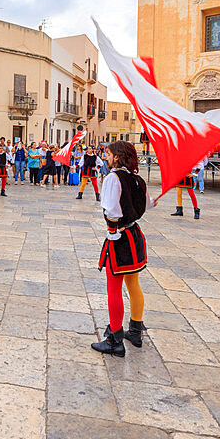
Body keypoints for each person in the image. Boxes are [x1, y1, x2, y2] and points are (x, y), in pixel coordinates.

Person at [92, 140, 149, 355]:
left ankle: (115, 339)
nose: (105, 157)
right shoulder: (137, 179)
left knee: (113, 288)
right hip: (135, 235)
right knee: (133, 283)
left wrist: (112, 232)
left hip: (120, 239)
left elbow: (112, 212)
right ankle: (135, 329)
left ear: (117, 156)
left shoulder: (112, 178)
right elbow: (148, 204)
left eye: (108, 154)